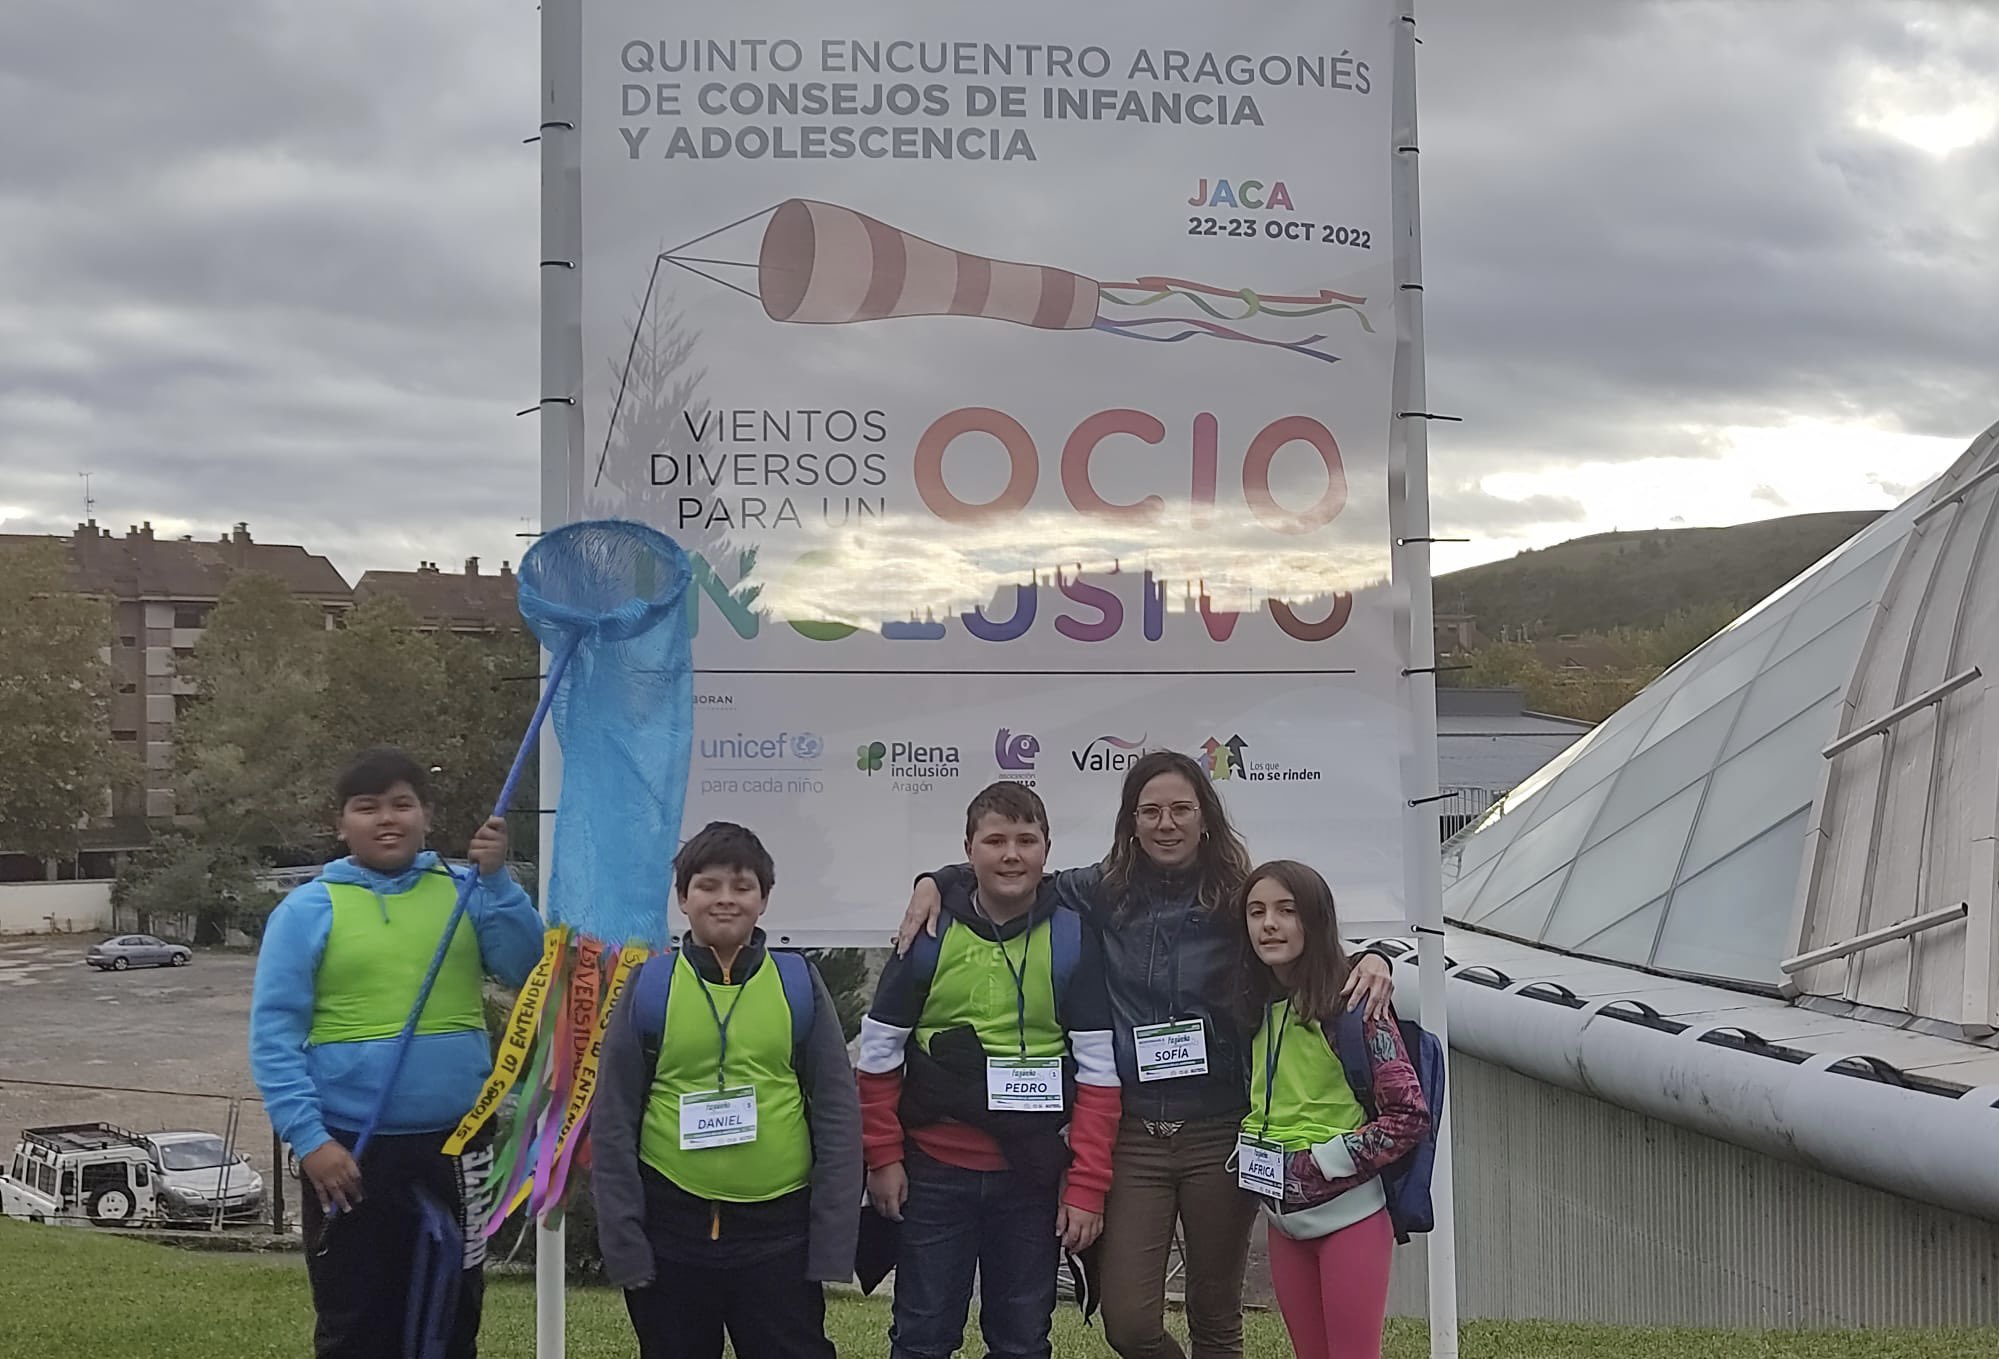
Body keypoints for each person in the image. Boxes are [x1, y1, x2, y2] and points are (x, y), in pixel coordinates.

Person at [897, 749, 1397, 1359]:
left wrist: (1376, 957)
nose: (1167, 823)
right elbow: (1017, 873)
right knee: (1129, 1323)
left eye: (1181, 809)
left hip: (1219, 1131)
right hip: (1134, 1133)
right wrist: (936, 881)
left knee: (1215, 1316)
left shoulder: (1238, 897)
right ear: (1131, 822)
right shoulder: (1101, 890)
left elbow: (1302, 934)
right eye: (1151, 811)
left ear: (1205, 817)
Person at [250, 747, 544, 1359]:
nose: (388, 819)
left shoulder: (469, 892)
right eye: (368, 807)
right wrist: (311, 1141)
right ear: (341, 824)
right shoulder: (306, 910)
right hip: (349, 1152)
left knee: (453, 1307)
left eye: (402, 804)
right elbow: (274, 1038)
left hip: (457, 1145)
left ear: (426, 816)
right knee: (355, 1318)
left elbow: (527, 966)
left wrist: (498, 883)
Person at [858, 781, 1122, 1359]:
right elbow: (878, 1055)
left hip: (1029, 1177)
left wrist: (1087, 1186)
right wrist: (881, 1158)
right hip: (933, 1173)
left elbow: (1101, 1075)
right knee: (923, 1336)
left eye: (1026, 840)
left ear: (1047, 851)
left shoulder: (1075, 935)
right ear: (968, 849)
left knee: (1023, 1340)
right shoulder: (926, 934)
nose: (1011, 854)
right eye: (995, 840)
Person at [591, 821, 862, 1359]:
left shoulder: (798, 984)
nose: (725, 900)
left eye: (742, 887)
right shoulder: (649, 988)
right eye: (708, 886)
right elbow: (614, 1120)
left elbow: (836, 1114)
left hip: (779, 1238)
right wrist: (623, 1239)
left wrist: (831, 1242)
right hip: (671, 1234)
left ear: (764, 900)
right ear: (683, 899)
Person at [1232, 860, 1430, 1359]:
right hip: (1282, 1221)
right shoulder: (1253, 1003)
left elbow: (1408, 1117)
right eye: (1256, 912)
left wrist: (1327, 1160)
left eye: (1286, 910)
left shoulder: (1355, 1003)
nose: (1269, 924)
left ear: (1315, 920)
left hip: (1349, 1220)